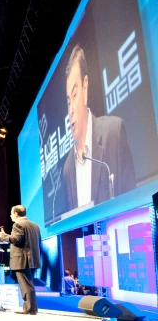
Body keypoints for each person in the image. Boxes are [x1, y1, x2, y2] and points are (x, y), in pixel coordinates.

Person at [61, 44, 136, 211]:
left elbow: (134, 202)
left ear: (85, 87)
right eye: (68, 101)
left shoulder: (113, 133)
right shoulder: (67, 168)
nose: (71, 110)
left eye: (74, 95)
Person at [0, 205, 42, 314]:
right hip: (32, 259)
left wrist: (2, 235)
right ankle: (32, 308)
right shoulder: (35, 225)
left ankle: (29, 308)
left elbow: (15, 239)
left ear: (16, 214)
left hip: (22, 259)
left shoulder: (18, 224)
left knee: (25, 285)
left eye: (11, 213)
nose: (10, 216)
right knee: (28, 283)